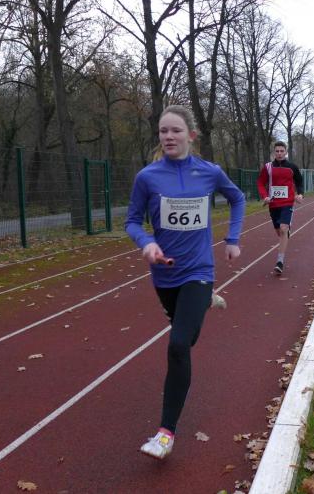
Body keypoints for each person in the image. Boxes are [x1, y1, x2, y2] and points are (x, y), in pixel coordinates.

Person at [125, 105, 245, 460]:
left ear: (191, 135)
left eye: (175, 130)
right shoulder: (147, 177)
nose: (168, 137)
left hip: (199, 270)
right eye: (163, 131)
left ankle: (165, 433)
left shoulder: (209, 172)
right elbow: (132, 221)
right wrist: (146, 243)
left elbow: (237, 198)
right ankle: (203, 301)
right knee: (185, 336)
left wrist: (233, 239)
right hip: (164, 275)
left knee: (179, 345)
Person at [257, 141, 304, 274]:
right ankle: (286, 232)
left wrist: (300, 194)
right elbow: (260, 182)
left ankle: (280, 262)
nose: (279, 153)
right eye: (277, 151)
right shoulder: (268, 167)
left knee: (283, 229)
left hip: (287, 202)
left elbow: (299, 182)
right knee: (280, 232)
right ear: (274, 152)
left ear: (286, 152)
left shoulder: (292, 167)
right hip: (273, 204)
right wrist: (265, 196)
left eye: (281, 151)